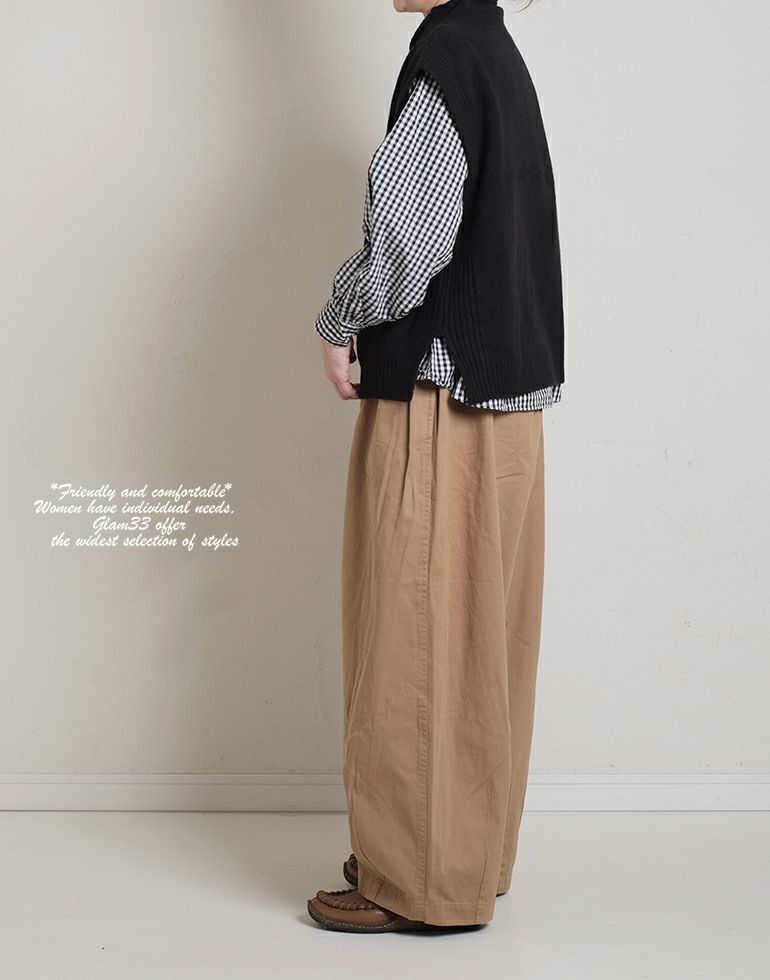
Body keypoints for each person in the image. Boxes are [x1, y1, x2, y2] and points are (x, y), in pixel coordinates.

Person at [308, 0, 565, 933]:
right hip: (508, 408)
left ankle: (416, 882)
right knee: (484, 646)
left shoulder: (449, 57)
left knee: (415, 639)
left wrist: (338, 319)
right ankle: (463, 857)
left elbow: (408, 242)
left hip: (441, 403)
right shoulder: (495, 52)